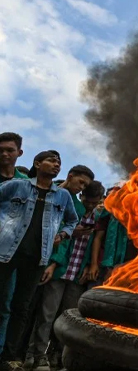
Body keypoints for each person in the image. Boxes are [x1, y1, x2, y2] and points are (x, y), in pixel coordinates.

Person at [0, 151, 78, 371]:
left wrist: (62, 235)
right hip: (6, 252)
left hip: (37, 258)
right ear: (37, 163)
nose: (56, 165)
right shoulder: (18, 186)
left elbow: (72, 220)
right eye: (51, 161)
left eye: (59, 163)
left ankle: (10, 357)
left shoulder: (62, 196)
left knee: (21, 307)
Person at [25, 181, 105, 370]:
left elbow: (95, 246)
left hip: (78, 276)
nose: (91, 206)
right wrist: (53, 264)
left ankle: (57, 355)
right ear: (81, 196)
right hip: (60, 271)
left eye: (95, 202)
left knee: (68, 318)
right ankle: (35, 354)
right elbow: (61, 242)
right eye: (88, 201)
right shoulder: (71, 212)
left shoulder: (99, 218)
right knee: (46, 315)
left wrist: (89, 266)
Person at [0, 133, 28, 353]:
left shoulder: (27, 185)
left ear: (19, 153)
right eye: (0, 150)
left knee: (4, 307)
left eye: (10, 150)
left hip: (10, 253)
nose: (4, 154)